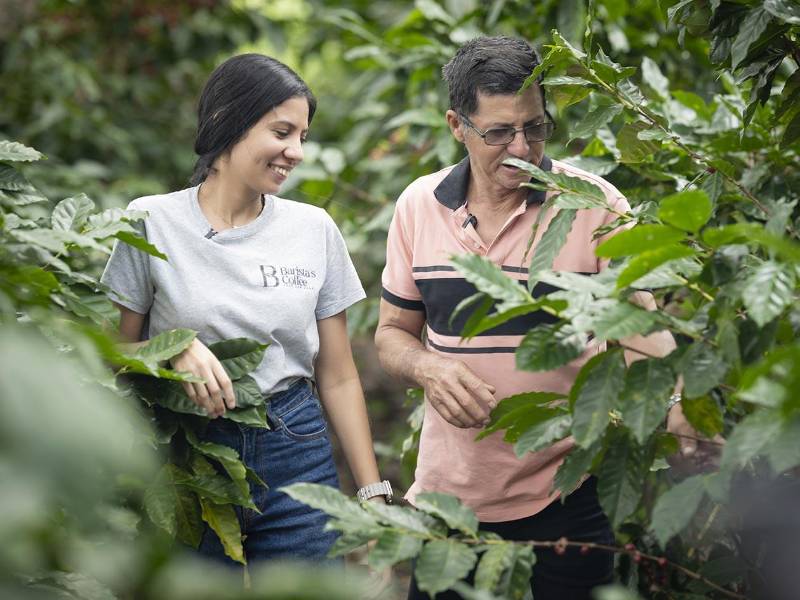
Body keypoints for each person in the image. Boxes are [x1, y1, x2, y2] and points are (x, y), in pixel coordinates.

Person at [375, 36, 719, 599]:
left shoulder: (595, 204)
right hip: (447, 503)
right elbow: (391, 335)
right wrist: (428, 369)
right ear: (456, 125)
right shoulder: (418, 205)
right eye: (499, 133)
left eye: (535, 128)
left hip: (566, 496)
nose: (523, 149)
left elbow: (641, 332)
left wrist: (680, 407)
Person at [102, 53, 390, 563]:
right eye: (282, 132)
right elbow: (110, 354)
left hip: (295, 445)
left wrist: (371, 497)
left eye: (303, 136)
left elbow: (339, 375)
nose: (296, 151)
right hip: (188, 452)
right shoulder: (150, 221)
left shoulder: (314, 229)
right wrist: (173, 348)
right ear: (227, 121)